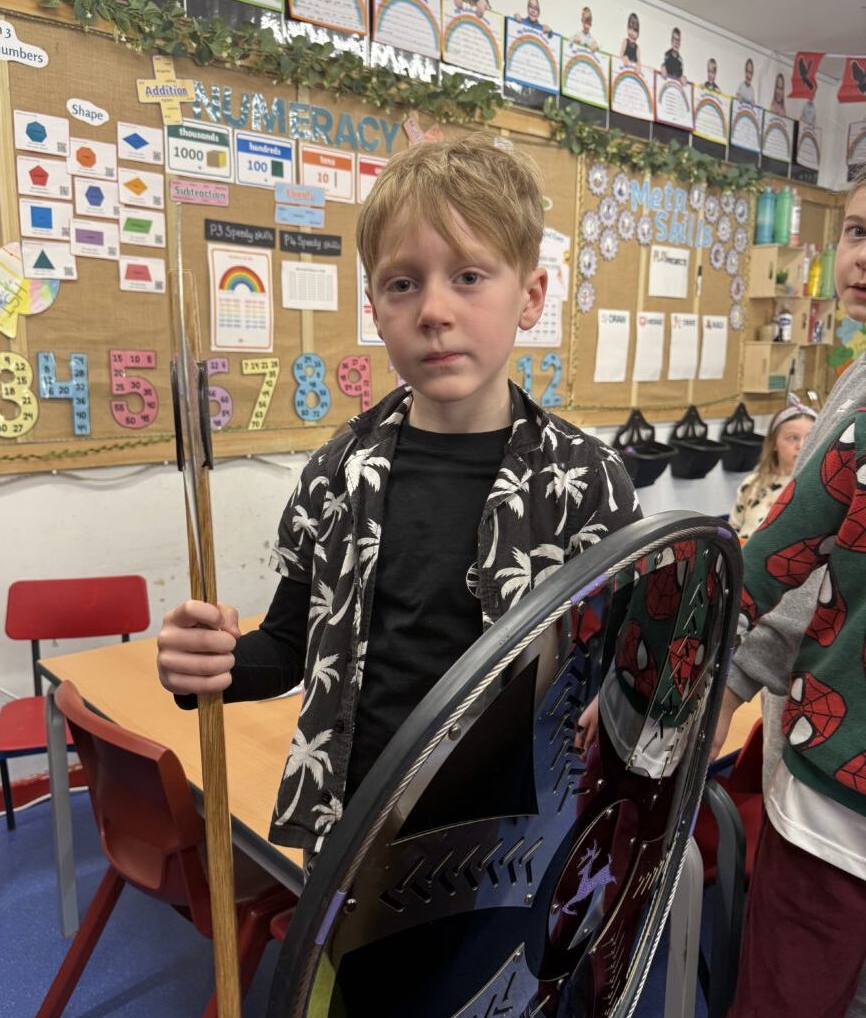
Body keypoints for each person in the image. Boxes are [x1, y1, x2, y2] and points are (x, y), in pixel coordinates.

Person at [157, 136, 641, 860]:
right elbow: (290, 649)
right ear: (376, 309)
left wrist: (620, 693)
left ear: (531, 296)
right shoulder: (338, 472)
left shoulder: (586, 479)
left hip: (519, 842)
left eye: (469, 276)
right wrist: (208, 665)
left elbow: (638, 649)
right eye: (403, 284)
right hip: (361, 828)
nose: (433, 311)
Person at [704, 166, 866, 1018]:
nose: (862, 257)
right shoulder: (855, 396)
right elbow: (782, 566)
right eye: (855, 231)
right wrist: (706, 686)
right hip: (831, 810)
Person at [728, 400, 817, 541]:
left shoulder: (817, 489)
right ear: (774, 443)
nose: (801, 445)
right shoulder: (752, 484)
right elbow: (732, 532)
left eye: (810, 438)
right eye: (793, 438)